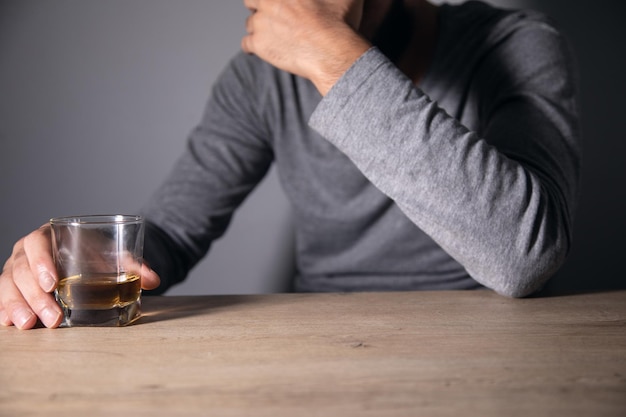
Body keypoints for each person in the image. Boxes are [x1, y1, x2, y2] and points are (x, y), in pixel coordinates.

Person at [0, 0, 581, 329]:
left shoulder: (513, 43)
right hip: (328, 342)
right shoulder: (258, 81)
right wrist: (74, 257)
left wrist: (333, 53)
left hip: (494, 339)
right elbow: (172, 233)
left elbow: (523, 256)